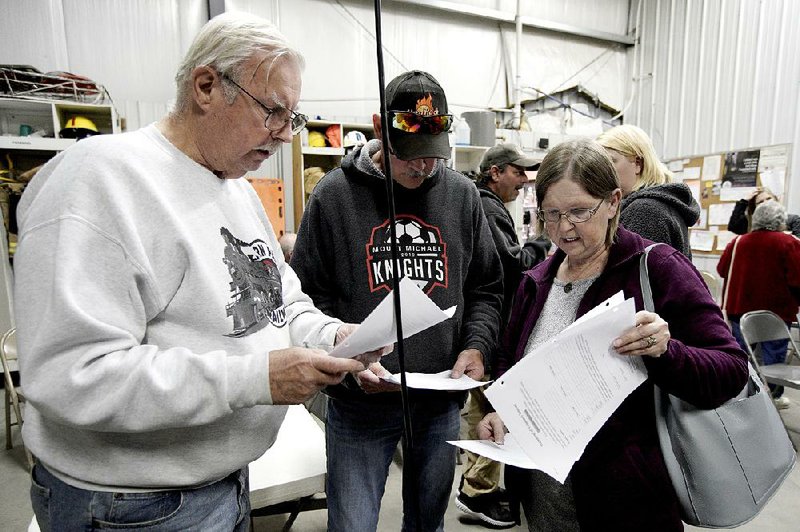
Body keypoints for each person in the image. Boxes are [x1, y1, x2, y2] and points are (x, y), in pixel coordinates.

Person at [14, 12, 380, 531]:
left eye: (291, 118)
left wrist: (335, 337)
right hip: (133, 507)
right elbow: (74, 375)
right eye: (272, 111)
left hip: (224, 484)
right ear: (206, 86)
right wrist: (257, 377)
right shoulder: (99, 180)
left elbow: (284, 305)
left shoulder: (237, 191)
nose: (282, 135)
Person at [478, 139, 748, 531]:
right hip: (545, 500)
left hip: (627, 503)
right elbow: (509, 361)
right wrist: (500, 409)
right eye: (550, 214)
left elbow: (731, 369)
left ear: (614, 202)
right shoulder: (537, 281)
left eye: (579, 212)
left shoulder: (657, 269)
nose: (563, 228)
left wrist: (667, 351)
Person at [290, 70, 503, 531]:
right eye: (409, 156)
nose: (423, 167)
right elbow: (305, 296)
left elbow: (485, 287)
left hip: (439, 403)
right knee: (353, 524)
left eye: (433, 156)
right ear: (378, 128)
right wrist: (346, 362)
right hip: (359, 403)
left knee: (428, 523)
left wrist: (477, 347)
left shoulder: (463, 197)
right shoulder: (333, 197)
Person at [454, 143, 549, 528]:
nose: (524, 179)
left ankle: (480, 488)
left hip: (487, 331)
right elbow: (512, 266)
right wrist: (543, 242)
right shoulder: (488, 208)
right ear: (494, 172)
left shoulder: (485, 206)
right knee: (492, 409)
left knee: (487, 407)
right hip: (491, 332)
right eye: (517, 171)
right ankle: (476, 493)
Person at [717, 200, 800, 409]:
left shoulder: (738, 242)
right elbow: (796, 279)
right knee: (774, 359)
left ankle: (740, 394)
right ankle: (772, 398)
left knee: (741, 355)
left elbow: (721, 270)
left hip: (739, 308)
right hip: (776, 312)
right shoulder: (789, 243)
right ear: (781, 221)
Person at [597, 124, 700, 258]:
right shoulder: (659, 204)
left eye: (610, 162)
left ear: (638, 164)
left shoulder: (645, 211)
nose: (602, 171)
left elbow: (630, 274)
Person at [726, 187, 800, 237]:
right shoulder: (751, 223)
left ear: (776, 199)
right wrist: (744, 202)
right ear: (755, 207)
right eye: (760, 202)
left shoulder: (793, 220)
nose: (766, 203)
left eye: (768, 199)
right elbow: (733, 226)